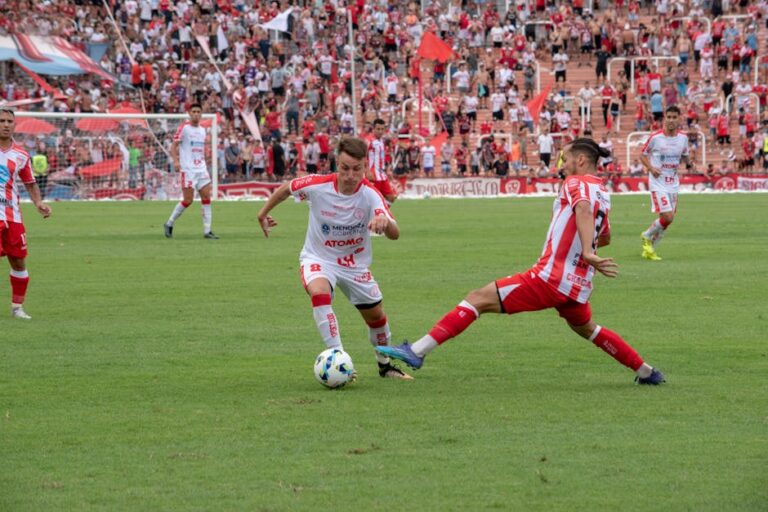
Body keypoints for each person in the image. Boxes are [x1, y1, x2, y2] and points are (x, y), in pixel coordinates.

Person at [377, 138, 665, 386]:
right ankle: (646, 371)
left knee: (477, 298)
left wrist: (586, 252)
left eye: (564, 158)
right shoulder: (603, 191)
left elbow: (584, 211)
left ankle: (417, 351)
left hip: (551, 278)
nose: (561, 164)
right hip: (578, 284)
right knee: (588, 329)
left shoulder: (576, 183)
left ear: (580, 159)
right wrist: (586, 249)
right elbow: (605, 237)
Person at [257, 136, 412, 381]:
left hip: (354, 265)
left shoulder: (370, 195)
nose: (350, 175)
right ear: (336, 164)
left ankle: (385, 365)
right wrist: (263, 214)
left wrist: (386, 223)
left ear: (365, 168)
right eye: (345, 168)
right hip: (318, 258)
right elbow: (287, 188)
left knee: (377, 318)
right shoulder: (318, 185)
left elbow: (395, 234)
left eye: (357, 169)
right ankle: (338, 358)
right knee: (320, 293)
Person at [0, 108, 52, 319]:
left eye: (9, 121)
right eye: (1, 120)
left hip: (13, 215)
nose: (5, 124)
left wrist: (38, 202)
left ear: (14, 125)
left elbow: (30, 182)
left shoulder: (21, 155)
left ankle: (17, 308)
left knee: (18, 261)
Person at [639, 105, 690, 261]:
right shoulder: (655, 137)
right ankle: (646, 235)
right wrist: (651, 168)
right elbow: (642, 155)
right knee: (667, 217)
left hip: (673, 182)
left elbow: (685, 156)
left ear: (679, 118)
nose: (671, 120)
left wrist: (690, 165)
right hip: (658, 182)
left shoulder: (683, 138)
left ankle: (650, 250)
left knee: (668, 220)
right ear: (664, 119)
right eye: (669, 117)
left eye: (675, 117)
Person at [164, 103, 218, 239]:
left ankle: (207, 231)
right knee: (188, 200)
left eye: (198, 111)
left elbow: (199, 149)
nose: (196, 114)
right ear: (189, 113)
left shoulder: (202, 130)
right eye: (193, 111)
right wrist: (176, 161)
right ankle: (169, 223)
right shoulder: (184, 128)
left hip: (201, 168)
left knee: (206, 198)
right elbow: (174, 146)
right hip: (188, 170)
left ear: (201, 114)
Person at [367, 119, 397, 204]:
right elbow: (362, 156)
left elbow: (381, 158)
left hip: (382, 174)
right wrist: (367, 171)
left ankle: (381, 214)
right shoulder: (369, 141)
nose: (380, 131)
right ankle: (375, 215)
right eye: (378, 129)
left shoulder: (382, 141)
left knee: (391, 198)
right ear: (373, 129)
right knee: (373, 201)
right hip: (373, 175)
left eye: (382, 129)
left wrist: (386, 170)